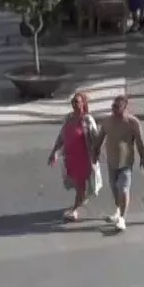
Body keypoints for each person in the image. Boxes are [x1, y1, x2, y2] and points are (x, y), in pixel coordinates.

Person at [47, 91, 102, 222]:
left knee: (80, 185)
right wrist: (54, 152)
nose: (74, 104)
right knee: (78, 184)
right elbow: (62, 137)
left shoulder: (88, 120)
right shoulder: (68, 118)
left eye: (77, 101)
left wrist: (96, 153)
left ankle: (75, 209)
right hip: (71, 158)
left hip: (84, 158)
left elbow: (95, 137)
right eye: (73, 101)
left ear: (83, 103)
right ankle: (81, 199)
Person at [100, 94, 144, 232]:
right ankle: (118, 211)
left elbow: (140, 141)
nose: (114, 109)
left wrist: (142, 156)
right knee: (114, 188)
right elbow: (100, 137)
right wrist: (95, 152)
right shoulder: (107, 121)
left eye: (117, 107)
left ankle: (122, 219)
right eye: (113, 106)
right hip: (111, 161)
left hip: (126, 162)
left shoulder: (133, 122)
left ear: (124, 107)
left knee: (123, 189)